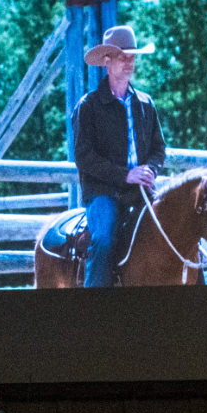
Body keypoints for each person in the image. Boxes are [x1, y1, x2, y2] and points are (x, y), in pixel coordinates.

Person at [71, 25, 167, 287]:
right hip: (103, 191)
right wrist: (126, 175)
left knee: (179, 225)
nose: (129, 62)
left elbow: (159, 148)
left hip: (142, 189)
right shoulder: (88, 107)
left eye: (132, 56)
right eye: (123, 56)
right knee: (103, 239)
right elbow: (84, 157)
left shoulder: (145, 103)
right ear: (106, 61)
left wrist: (151, 170)